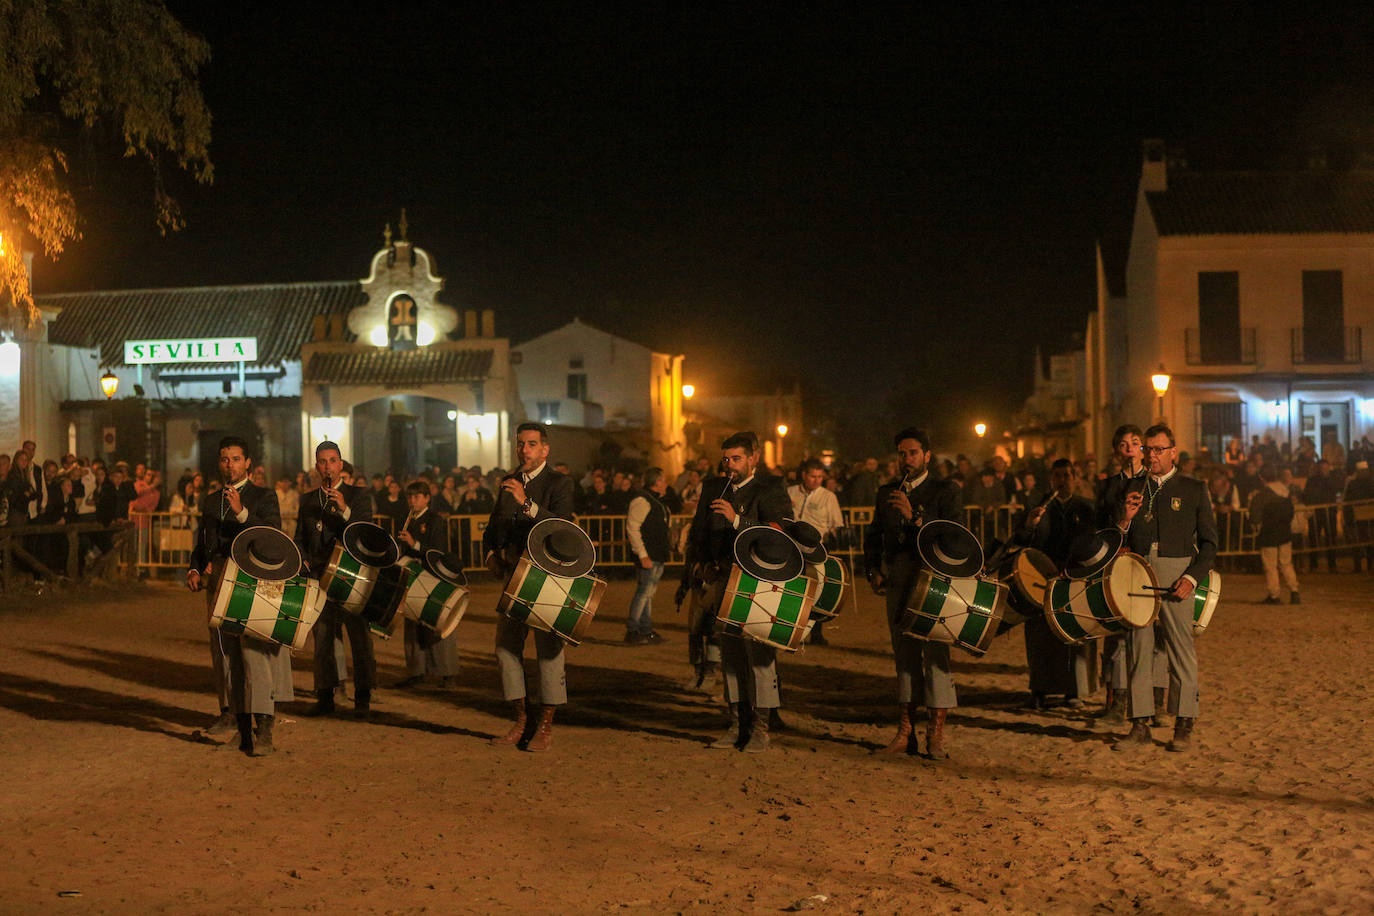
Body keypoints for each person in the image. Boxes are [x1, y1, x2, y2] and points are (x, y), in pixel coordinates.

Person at [681, 431, 793, 752]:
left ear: (754, 458)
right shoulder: (714, 487)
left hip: (756, 582)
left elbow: (778, 534)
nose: (730, 465)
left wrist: (737, 520)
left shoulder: (770, 488)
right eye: (726, 459)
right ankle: (735, 723)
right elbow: (700, 528)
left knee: (759, 655)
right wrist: (699, 562)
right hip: (721, 578)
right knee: (729, 655)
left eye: (737, 458)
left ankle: (761, 727)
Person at [1113, 424, 1218, 754]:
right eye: (1148, 449)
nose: (1152, 455)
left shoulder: (1193, 488)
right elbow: (1118, 540)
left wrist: (1191, 578)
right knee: (1138, 648)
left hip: (1177, 571)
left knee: (1180, 649)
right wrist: (1124, 521)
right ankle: (1140, 723)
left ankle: (1184, 722)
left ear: (1173, 451)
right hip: (1139, 570)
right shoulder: (1133, 486)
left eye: (1159, 449)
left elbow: (1211, 543)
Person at [864, 427, 963, 758]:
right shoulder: (886, 492)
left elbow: (953, 537)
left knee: (936, 654)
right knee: (904, 656)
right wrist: (872, 569)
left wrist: (915, 517)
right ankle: (905, 732)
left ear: (927, 457)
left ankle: (935, 733)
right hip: (899, 577)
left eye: (913, 454)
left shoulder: (945, 491)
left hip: (933, 578)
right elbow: (874, 533)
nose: (907, 460)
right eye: (902, 454)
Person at [186, 436, 285, 757]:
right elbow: (204, 540)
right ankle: (232, 715)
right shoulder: (211, 500)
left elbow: (272, 539)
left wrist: (242, 514)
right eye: (225, 459)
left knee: (254, 654)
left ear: (248, 464)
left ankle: (265, 726)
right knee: (224, 653)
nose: (230, 464)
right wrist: (195, 567)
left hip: (250, 581)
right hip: (218, 578)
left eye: (236, 459)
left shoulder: (264, 496)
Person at [483, 422, 576, 752]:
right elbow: (494, 525)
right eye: (521, 444)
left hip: (546, 577)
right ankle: (522, 720)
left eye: (532, 444)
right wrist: (491, 552)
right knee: (506, 648)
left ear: (545, 450)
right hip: (513, 577)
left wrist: (526, 503)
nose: (524, 450)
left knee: (549, 653)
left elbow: (562, 528)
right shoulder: (508, 482)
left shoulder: (559, 483)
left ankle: (545, 727)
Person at [297, 441, 377, 719]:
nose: (328, 466)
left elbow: (366, 533)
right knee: (323, 639)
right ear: (316, 466)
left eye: (332, 461)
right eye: (322, 461)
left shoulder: (358, 495)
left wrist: (344, 510)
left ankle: (363, 696)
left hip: (351, 576)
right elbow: (301, 538)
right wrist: (303, 559)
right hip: (320, 577)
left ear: (341, 464)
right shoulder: (307, 500)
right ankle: (325, 696)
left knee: (359, 638)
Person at [1093, 424, 1166, 725]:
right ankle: (1118, 703)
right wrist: (1122, 520)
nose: (1130, 449)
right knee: (1121, 635)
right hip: (1121, 563)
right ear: (1116, 451)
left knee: (1158, 633)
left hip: (1152, 562)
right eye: (1123, 444)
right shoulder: (1109, 486)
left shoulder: (1154, 482)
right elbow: (1102, 525)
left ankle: (1158, 703)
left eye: (1135, 443)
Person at [1014, 459, 1096, 709]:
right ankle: (1038, 690)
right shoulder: (1037, 506)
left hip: (1073, 576)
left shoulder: (1086, 507)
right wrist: (1030, 525)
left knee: (1072, 634)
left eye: (1067, 475)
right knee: (1040, 636)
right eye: (1057, 476)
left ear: (1076, 478)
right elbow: (1020, 538)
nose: (1062, 480)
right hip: (1041, 576)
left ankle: (1073, 692)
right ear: (1051, 479)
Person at [394, 480, 460, 687]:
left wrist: (415, 544)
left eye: (416, 497)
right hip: (413, 577)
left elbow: (438, 550)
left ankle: (447, 672)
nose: (412, 502)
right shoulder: (406, 519)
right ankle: (416, 671)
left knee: (438, 620)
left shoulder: (436, 520)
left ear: (427, 498)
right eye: (410, 498)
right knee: (412, 621)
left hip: (433, 577)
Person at [787, 457, 844, 645]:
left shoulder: (828, 497)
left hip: (817, 549)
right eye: (813, 476)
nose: (817, 480)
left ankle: (816, 632)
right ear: (804, 475)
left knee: (816, 589)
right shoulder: (790, 492)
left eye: (820, 477)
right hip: (792, 546)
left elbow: (836, 524)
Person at [624, 467, 672, 645]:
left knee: (648, 593)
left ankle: (644, 629)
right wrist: (643, 554)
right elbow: (633, 528)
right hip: (649, 554)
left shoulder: (652, 501)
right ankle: (633, 630)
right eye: (664, 480)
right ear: (657, 482)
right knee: (644, 592)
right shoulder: (642, 500)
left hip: (655, 553)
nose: (666, 483)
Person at [1249, 465, 1300, 605]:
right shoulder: (1286, 492)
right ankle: (1294, 591)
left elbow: (1254, 517)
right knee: (1286, 563)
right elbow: (1291, 513)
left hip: (1268, 534)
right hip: (1284, 533)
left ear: (1261, 478)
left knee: (1270, 566)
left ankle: (1274, 594)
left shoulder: (1262, 496)